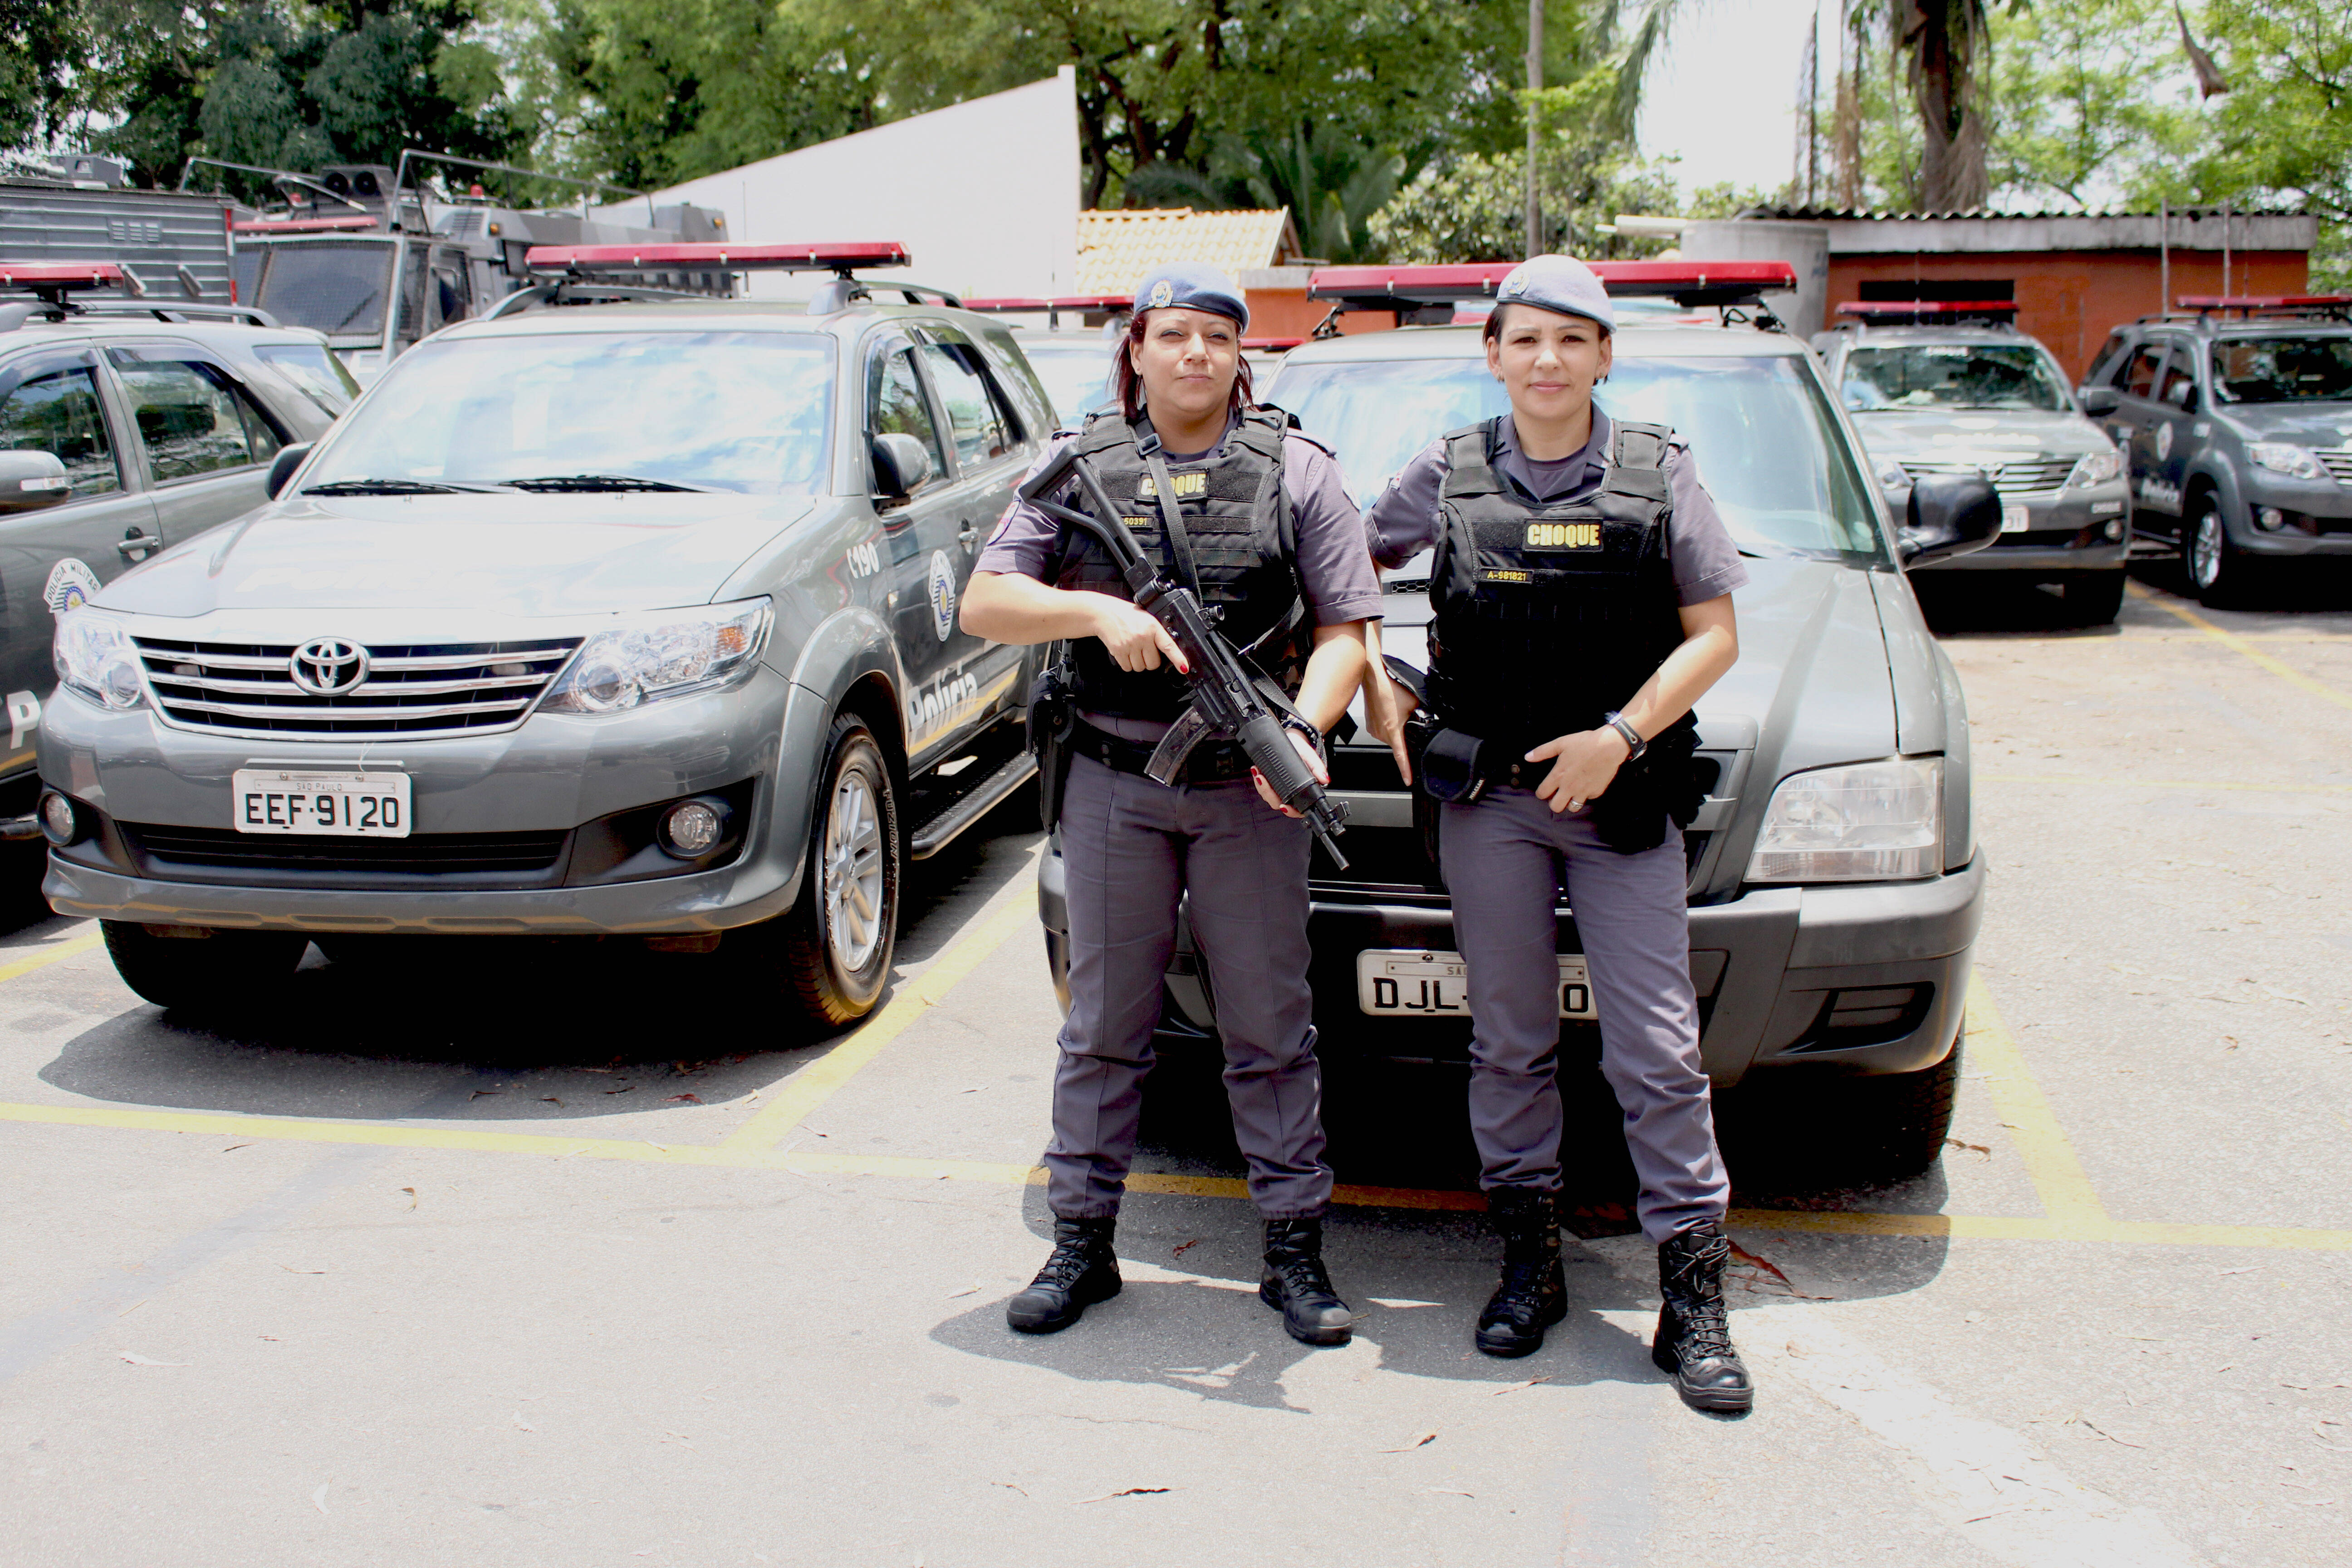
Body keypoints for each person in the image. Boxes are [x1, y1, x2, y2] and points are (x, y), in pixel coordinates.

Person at [1359, 255, 1753, 1412]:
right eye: (1526, 340)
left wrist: (1619, 738)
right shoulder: (1448, 469)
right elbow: (1341, 570)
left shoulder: (1659, 472)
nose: (1548, 361)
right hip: (1492, 806)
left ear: (1605, 356)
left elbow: (1714, 635)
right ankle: (1530, 1266)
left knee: (1658, 1054)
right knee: (1510, 1042)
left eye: (1572, 341)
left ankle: (1695, 1299)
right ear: (1493, 353)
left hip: (1618, 799)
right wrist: (1377, 680)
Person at [961, 262, 1379, 1347]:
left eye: (1218, 338)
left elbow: (1344, 630)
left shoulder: (1297, 471)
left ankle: (1294, 1251)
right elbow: (986, 602)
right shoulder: (1075, 468)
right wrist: (1095, 611)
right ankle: (1082, 1244)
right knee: (1105, 1025)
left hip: (1245, 792)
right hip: (1113, 780)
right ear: (1137, 348)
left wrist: (1302, 728)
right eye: (1176, 334)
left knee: (1271, 1027)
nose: (1197, 354)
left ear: (1242, 356)